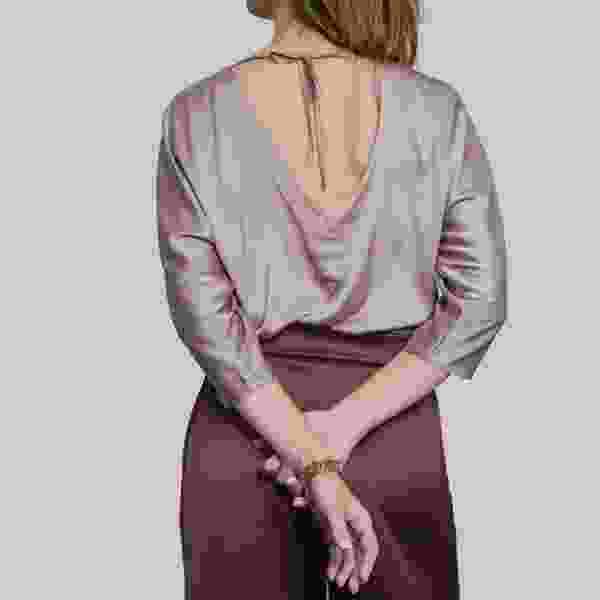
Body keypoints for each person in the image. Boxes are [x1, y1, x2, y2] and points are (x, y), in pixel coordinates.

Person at [155, 1, 508, 598]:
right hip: (391, 437)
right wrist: (338, 431)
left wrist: (304, 452)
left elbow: (203, 313)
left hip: (248, 441)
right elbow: (480, 298)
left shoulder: (197, 113)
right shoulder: (436, 111)